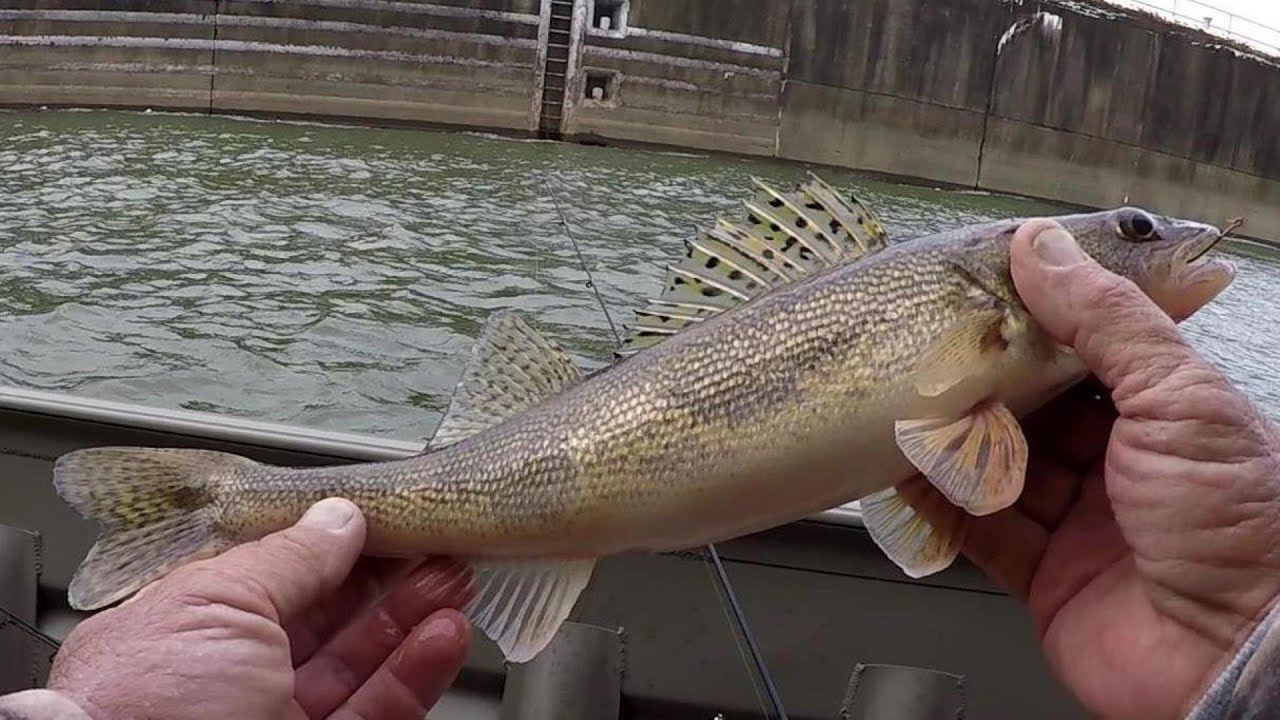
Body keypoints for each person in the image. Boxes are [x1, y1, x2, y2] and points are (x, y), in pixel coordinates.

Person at [1, 219, 1278, 719]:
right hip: (528, 487)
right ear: (1030, 271)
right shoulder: (980, 305)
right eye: (1127, 235)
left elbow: (960, 493)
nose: (1161, 250)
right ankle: (225, 502)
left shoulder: (1012, 383)